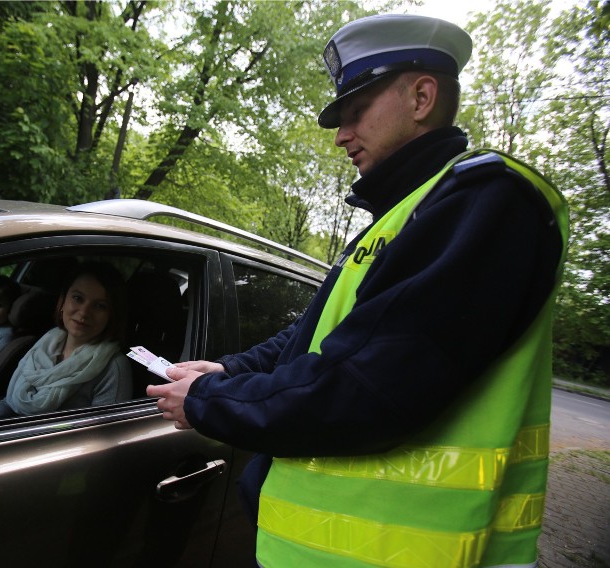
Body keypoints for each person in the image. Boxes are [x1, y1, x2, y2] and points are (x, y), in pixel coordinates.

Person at [148, 14, 569, 568]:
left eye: (356, 112)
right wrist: (229, 371)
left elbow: (367, 383)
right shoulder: (406, 212)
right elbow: (314, 338)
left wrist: (208, 402)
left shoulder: (483, 202)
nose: (342, 135)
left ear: (421, 97)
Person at [0, 261, 132, 422]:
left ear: (112, 314)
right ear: (63, 302)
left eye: (100, 306)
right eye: (77, 298)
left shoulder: (113, 368)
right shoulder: (47, 342)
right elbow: (11, 402)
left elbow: (100, 437)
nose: (84, 312)